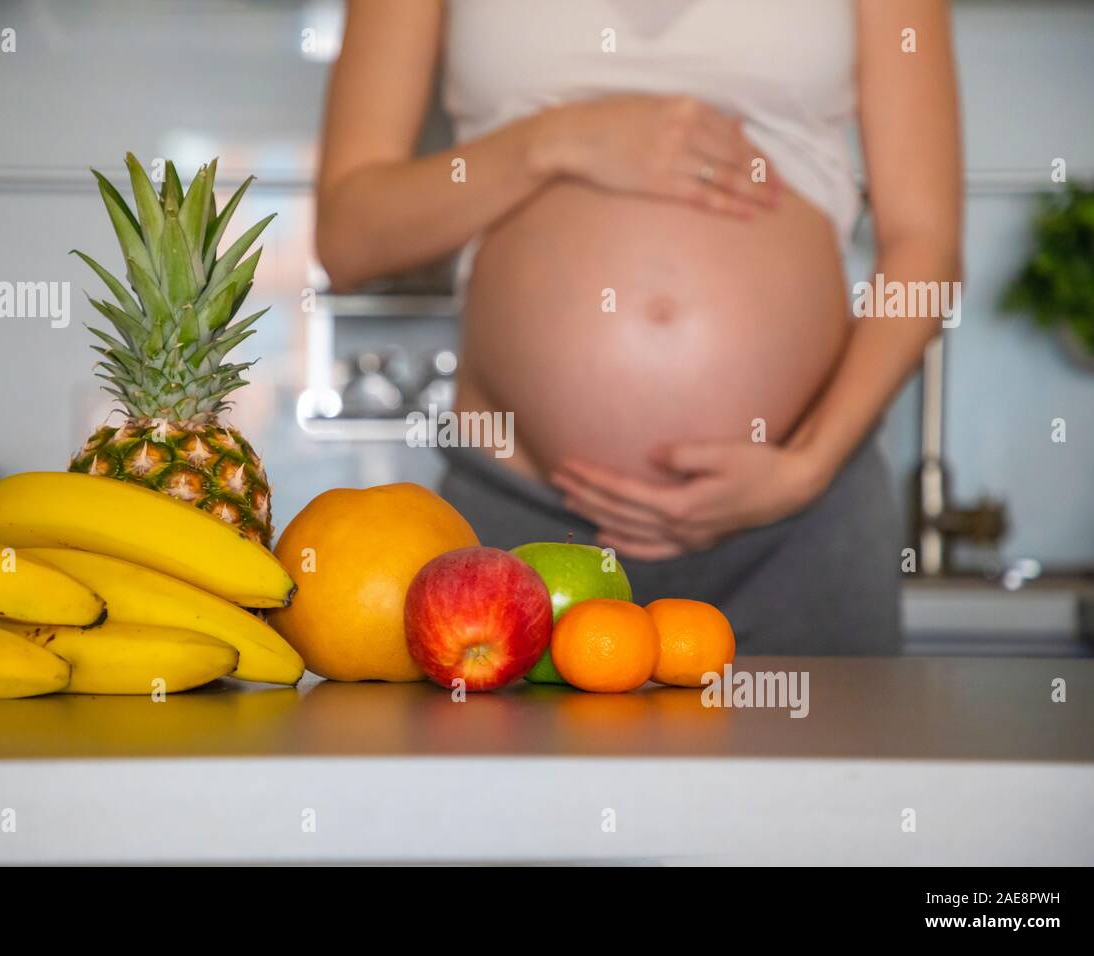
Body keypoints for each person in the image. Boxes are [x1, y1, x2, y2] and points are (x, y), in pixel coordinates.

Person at [315, 0, 962, 654]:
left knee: (841, 759)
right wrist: (557, 140)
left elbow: (926, 246)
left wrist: (807, 466)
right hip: (524, 522)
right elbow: (347, 238)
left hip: (800, 521)